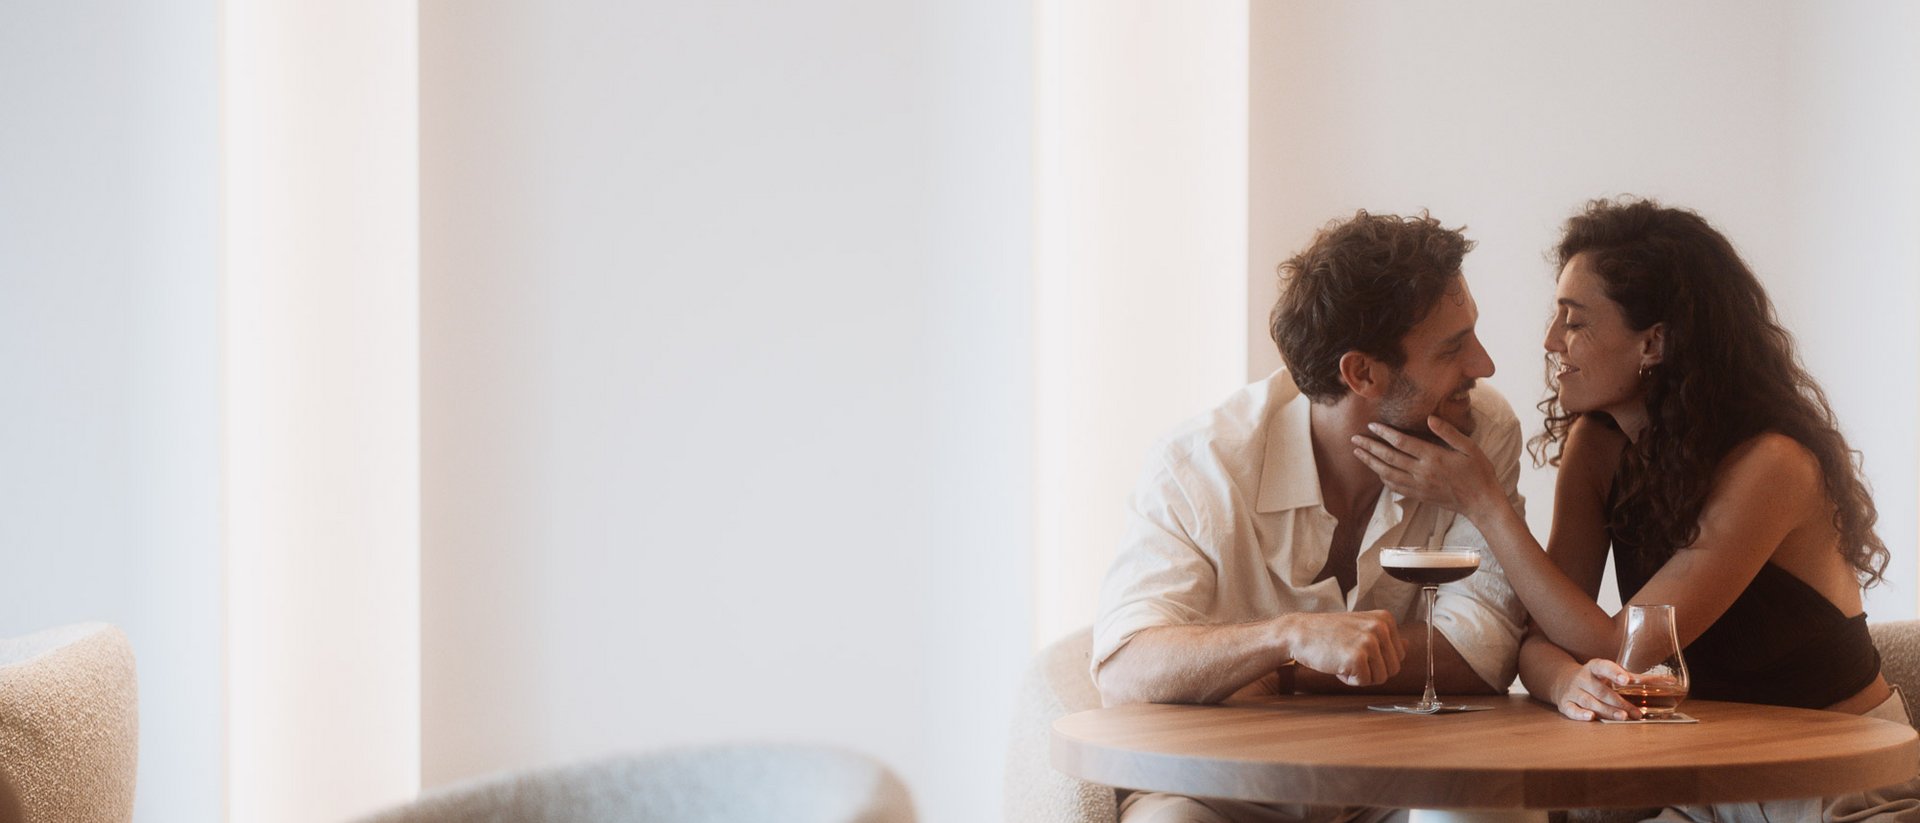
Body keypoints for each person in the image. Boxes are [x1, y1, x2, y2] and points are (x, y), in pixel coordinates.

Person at [1352, 197, 1918, 821]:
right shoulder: (1595, 448)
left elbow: (1630, 646)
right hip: (1705, 783)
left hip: (1841, 786)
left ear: (1653, 342)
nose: (1549, 341)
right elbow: (1540, 638)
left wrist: (1483, 501)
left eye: (1574, 321)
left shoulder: (1773, 464)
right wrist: (1567, 682)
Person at [1092, 211, 1528, 823]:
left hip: (1403, 781)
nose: (1483, 366)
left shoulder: (1480, 431)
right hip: (1225, 782)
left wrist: (1278, 677)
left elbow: (1480, 655)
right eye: (1453, 349)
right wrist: (1285, 636)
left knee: (1483, 811)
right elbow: (1126, 670)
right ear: (1362, 373)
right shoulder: (1202, 463)